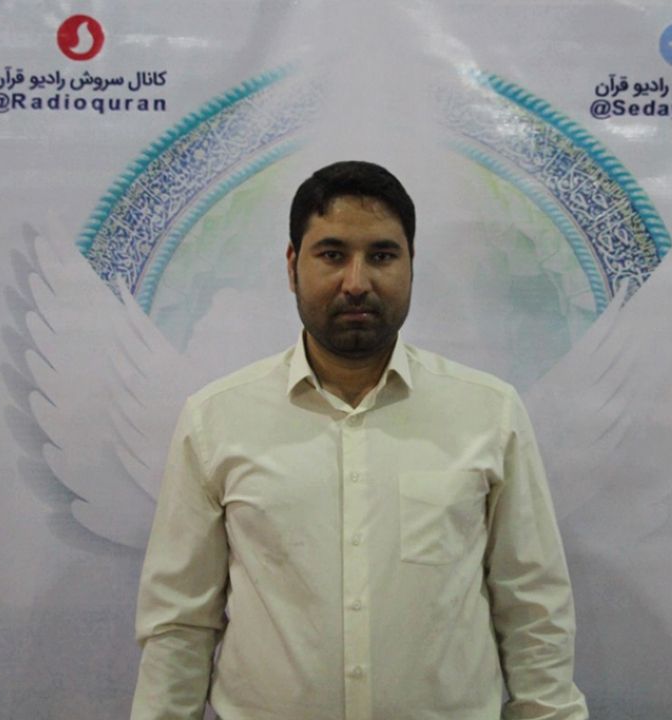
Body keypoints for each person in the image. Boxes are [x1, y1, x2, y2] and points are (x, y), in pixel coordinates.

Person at [130, 160, 588, 720]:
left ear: (411, 265)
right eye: (332, 254)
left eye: (382, 256)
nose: (356, 282)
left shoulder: (489, 413)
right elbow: (180, 623)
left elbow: (534, 610)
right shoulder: (216, 419)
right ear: (292, 265)